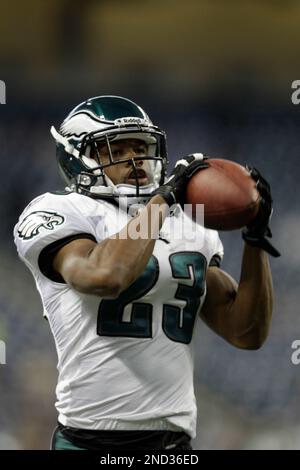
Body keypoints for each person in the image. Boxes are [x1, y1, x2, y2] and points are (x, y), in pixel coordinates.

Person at [14, 95, 280, 451]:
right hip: (89, 439)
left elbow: (246, 332)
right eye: (116, 150)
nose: (135, 160)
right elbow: (105, 276)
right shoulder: (59, 210)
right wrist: (164, 200)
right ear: (79, 158)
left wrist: (255, 237)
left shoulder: (188, 223)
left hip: (172, 443)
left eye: (141, 148)